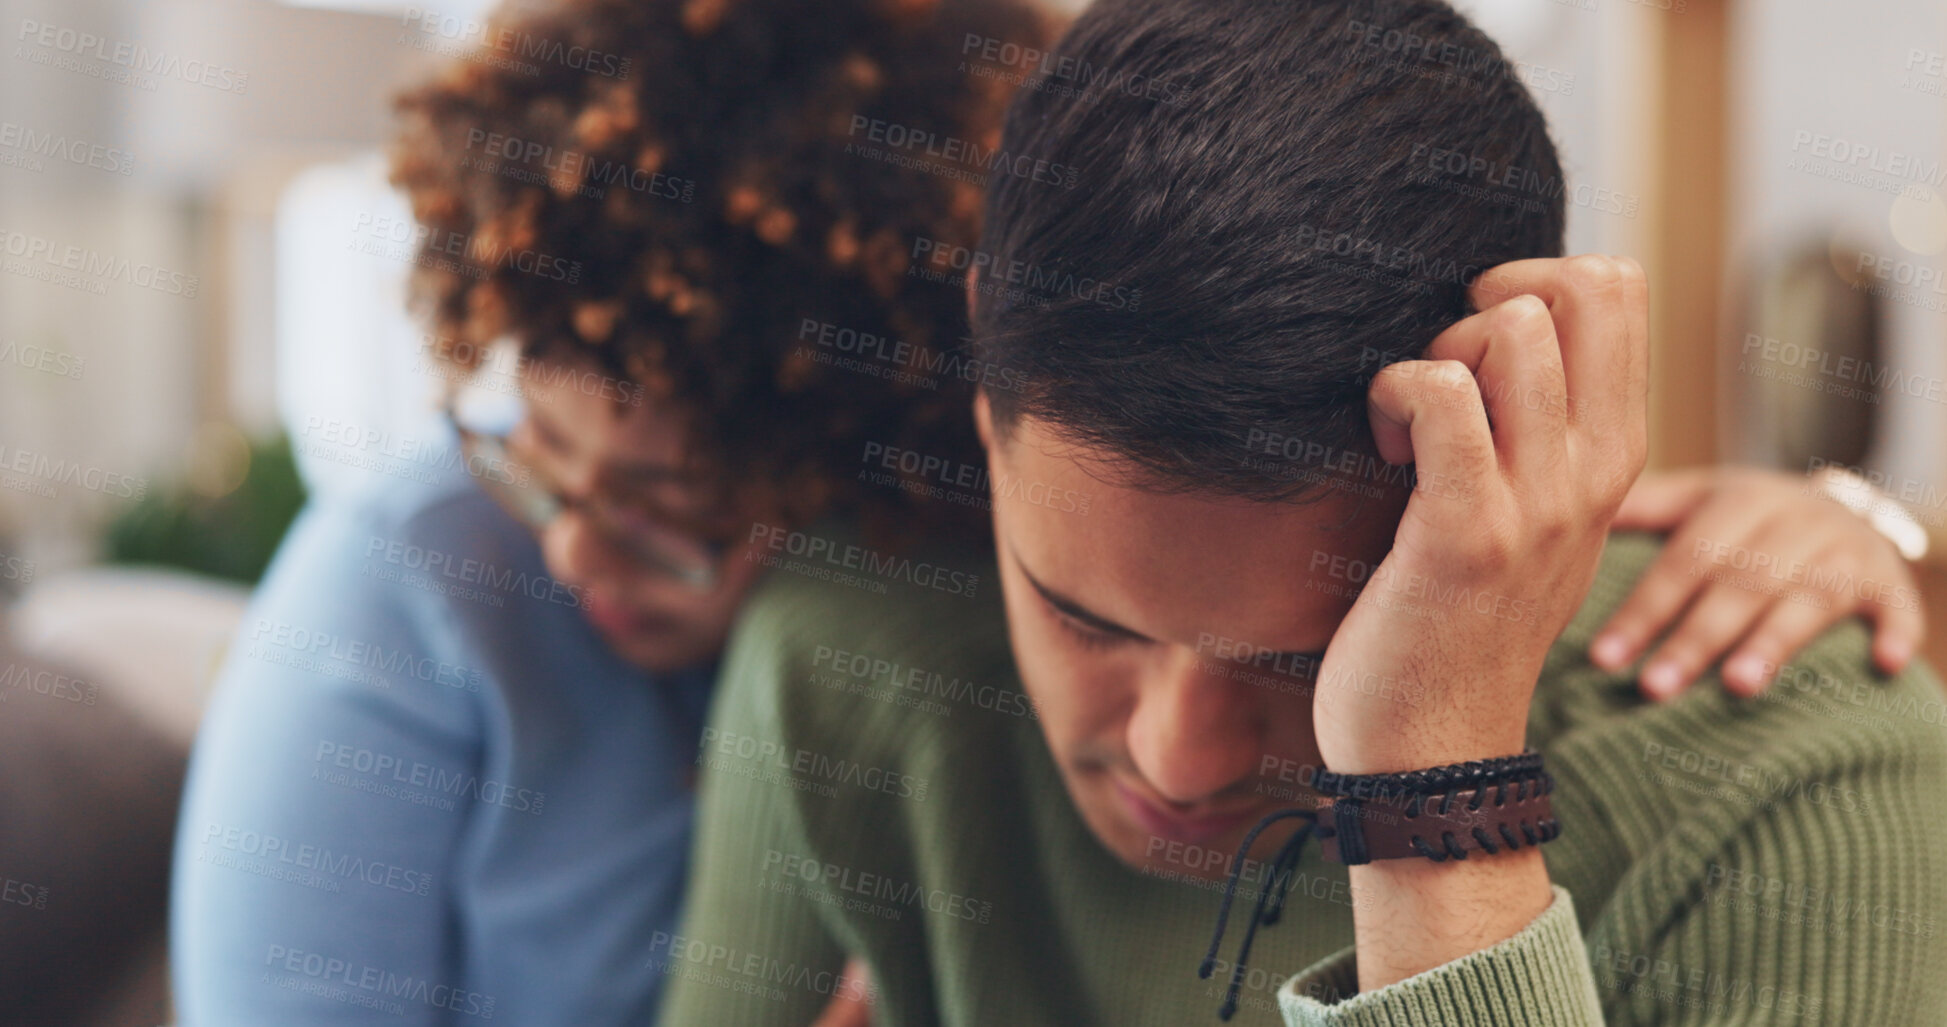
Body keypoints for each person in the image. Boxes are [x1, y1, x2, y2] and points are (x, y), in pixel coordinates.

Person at [661, 1, 1947, 1024]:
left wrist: (1442, 797)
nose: (1179, 758)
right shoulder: (845, 648)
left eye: (1306, 657)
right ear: (981, 379)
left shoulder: (1806, 773)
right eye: (1078, 617)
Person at [167, 0, 1042, 1022]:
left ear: (869, 472)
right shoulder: (395, 600)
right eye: (536, 442)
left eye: (675, 508)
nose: (576, 545)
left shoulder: (946, 629)